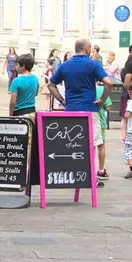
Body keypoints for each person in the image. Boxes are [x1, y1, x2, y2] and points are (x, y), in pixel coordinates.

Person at [49, 38, 110, 181]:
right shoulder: (93, 64)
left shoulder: (65, 65)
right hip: (89, 109)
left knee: (73, 143)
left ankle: (74, 174)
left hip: (71, 110)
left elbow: (51, 84)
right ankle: (90, 175)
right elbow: (108, 82)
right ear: (88, 48)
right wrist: (102, 100)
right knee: (92, 143)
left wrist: (62, 100)